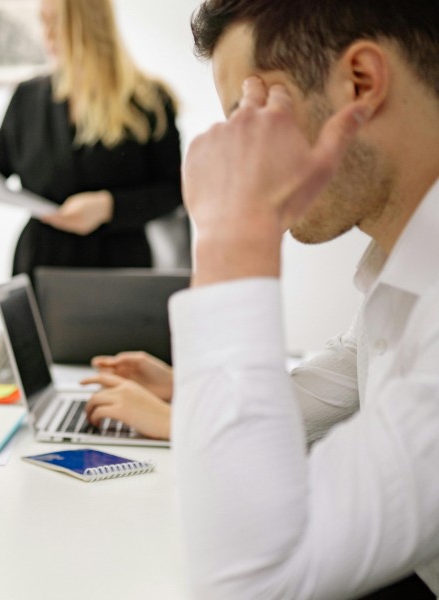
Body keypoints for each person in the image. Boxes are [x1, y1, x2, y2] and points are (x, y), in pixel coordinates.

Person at [169, 1, 439, 598]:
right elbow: (350, 370)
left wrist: (231, 232)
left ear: (359, 82)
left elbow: (251, 582)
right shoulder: (403, 268)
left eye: (254, 114)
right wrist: (183, 402)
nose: (244, 147)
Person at [0, 0, 183, 282]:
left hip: (119, 270)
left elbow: (173, 191)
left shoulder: (149, 101)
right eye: (43, 21)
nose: (46, 33)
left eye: (56, 21)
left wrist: (108, 206)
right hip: (40, 265)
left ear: (91, 23)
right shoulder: (27, 98)